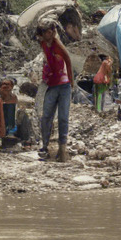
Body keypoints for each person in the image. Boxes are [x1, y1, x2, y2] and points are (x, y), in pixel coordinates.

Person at [36, 21, 75, 161]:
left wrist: (71, 81)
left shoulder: (57, 44)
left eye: (52, 31)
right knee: (46, 116)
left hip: (63, 85)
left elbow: (68, 60)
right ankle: (45, 145)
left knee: (63, 117)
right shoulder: (43, 44)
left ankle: (62, 148)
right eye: (48, 32)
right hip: (50, 85)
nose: (51, 33)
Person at [0, 78, 22, 145]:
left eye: (7, 84)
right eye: (3, 84)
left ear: (12, 87)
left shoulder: (14, 98)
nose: (5, 86)